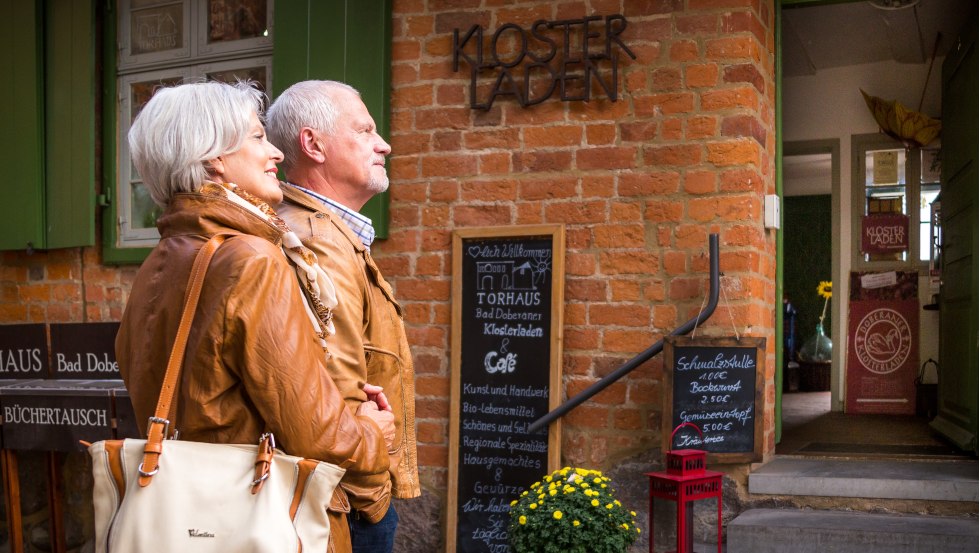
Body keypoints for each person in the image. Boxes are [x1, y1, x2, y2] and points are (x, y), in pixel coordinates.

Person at [115, 80, 395, 553]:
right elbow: (316, 432)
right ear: (214, 159)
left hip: (183, 515)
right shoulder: (251, 259)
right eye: (257, 137)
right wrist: (373, 433)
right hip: (254, 514)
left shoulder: (159, 263)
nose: (277, 154)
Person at [267, 80, 420, 553]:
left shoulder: (333, 233)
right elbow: (334, 394)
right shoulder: (315, 240)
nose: (384, 144)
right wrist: (369, 502)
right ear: (313, 145)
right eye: (365, 130)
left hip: (348, 496)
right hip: (346, 504)